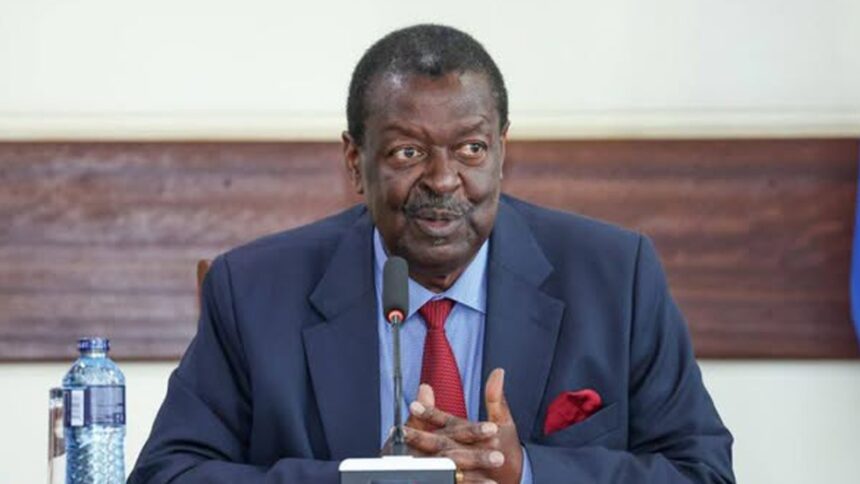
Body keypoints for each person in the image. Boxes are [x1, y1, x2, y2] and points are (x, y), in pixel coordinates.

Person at [129, 24, 734, 483]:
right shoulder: (254, 290)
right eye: (408, 153)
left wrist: (528, 473)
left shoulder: (615, 277)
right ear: (355, 162)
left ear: (501, 151)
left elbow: (701, 471)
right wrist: (361, 483)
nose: (443, 180)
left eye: (470, 149)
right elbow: (169, 474)